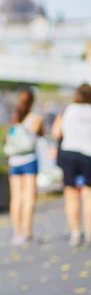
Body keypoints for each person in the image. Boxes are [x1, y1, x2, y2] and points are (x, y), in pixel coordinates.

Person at [51, 83, 91, 247]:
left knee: (70, 193)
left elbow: (56, 132)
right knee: (88, 194)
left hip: (69, 153)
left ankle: (75, 232)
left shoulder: (68, 110)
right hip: (88, 153)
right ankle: (90, 232)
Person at [6, 87, 44, 245]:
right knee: (29, 197)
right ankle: (27, 232)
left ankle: (17, 233)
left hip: (14, 161)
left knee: (16, 198)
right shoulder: (35, 118)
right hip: (29, 160)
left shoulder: (14, 118)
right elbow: (40, 134)